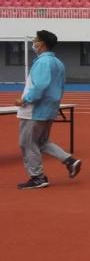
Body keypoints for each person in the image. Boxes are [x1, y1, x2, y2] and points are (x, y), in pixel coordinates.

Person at [13, 30, 81, 189]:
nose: (33, 43)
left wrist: (25, 99)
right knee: (42, 142)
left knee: (27, 143)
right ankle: (69, 160)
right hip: (49, 108)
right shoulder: (58, 63)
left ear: (42, 44)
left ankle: (37, 177)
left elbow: (40, 86)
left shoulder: (42, 62)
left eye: (35, 40)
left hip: (34, 110)